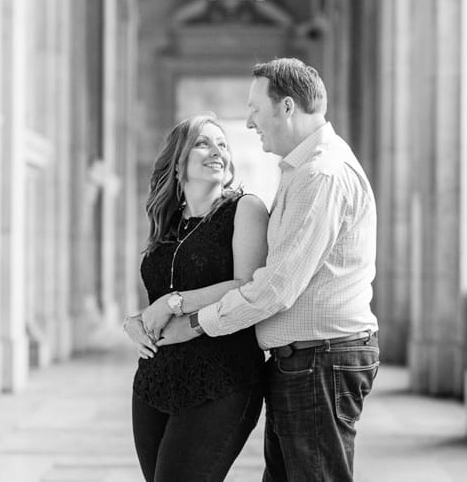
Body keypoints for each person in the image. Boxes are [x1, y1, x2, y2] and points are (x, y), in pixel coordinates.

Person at [157, 58, 380, 482]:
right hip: (303, 361)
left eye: (255, 109)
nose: (249, 121)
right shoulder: (303, 170)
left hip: (320, 360)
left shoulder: (321, 175)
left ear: (288, 107)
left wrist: (197, 323)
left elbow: (276, 287)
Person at [123, 113, 269, 482]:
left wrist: (172, 302)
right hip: (154, 381)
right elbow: (159, 295)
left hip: (222, 381)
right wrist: (135, 322)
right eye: (203, 143)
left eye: (222, 144)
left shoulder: (244, 209)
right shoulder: (166, 222)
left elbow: (247, 284)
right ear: (178, 163)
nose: (216, 151)